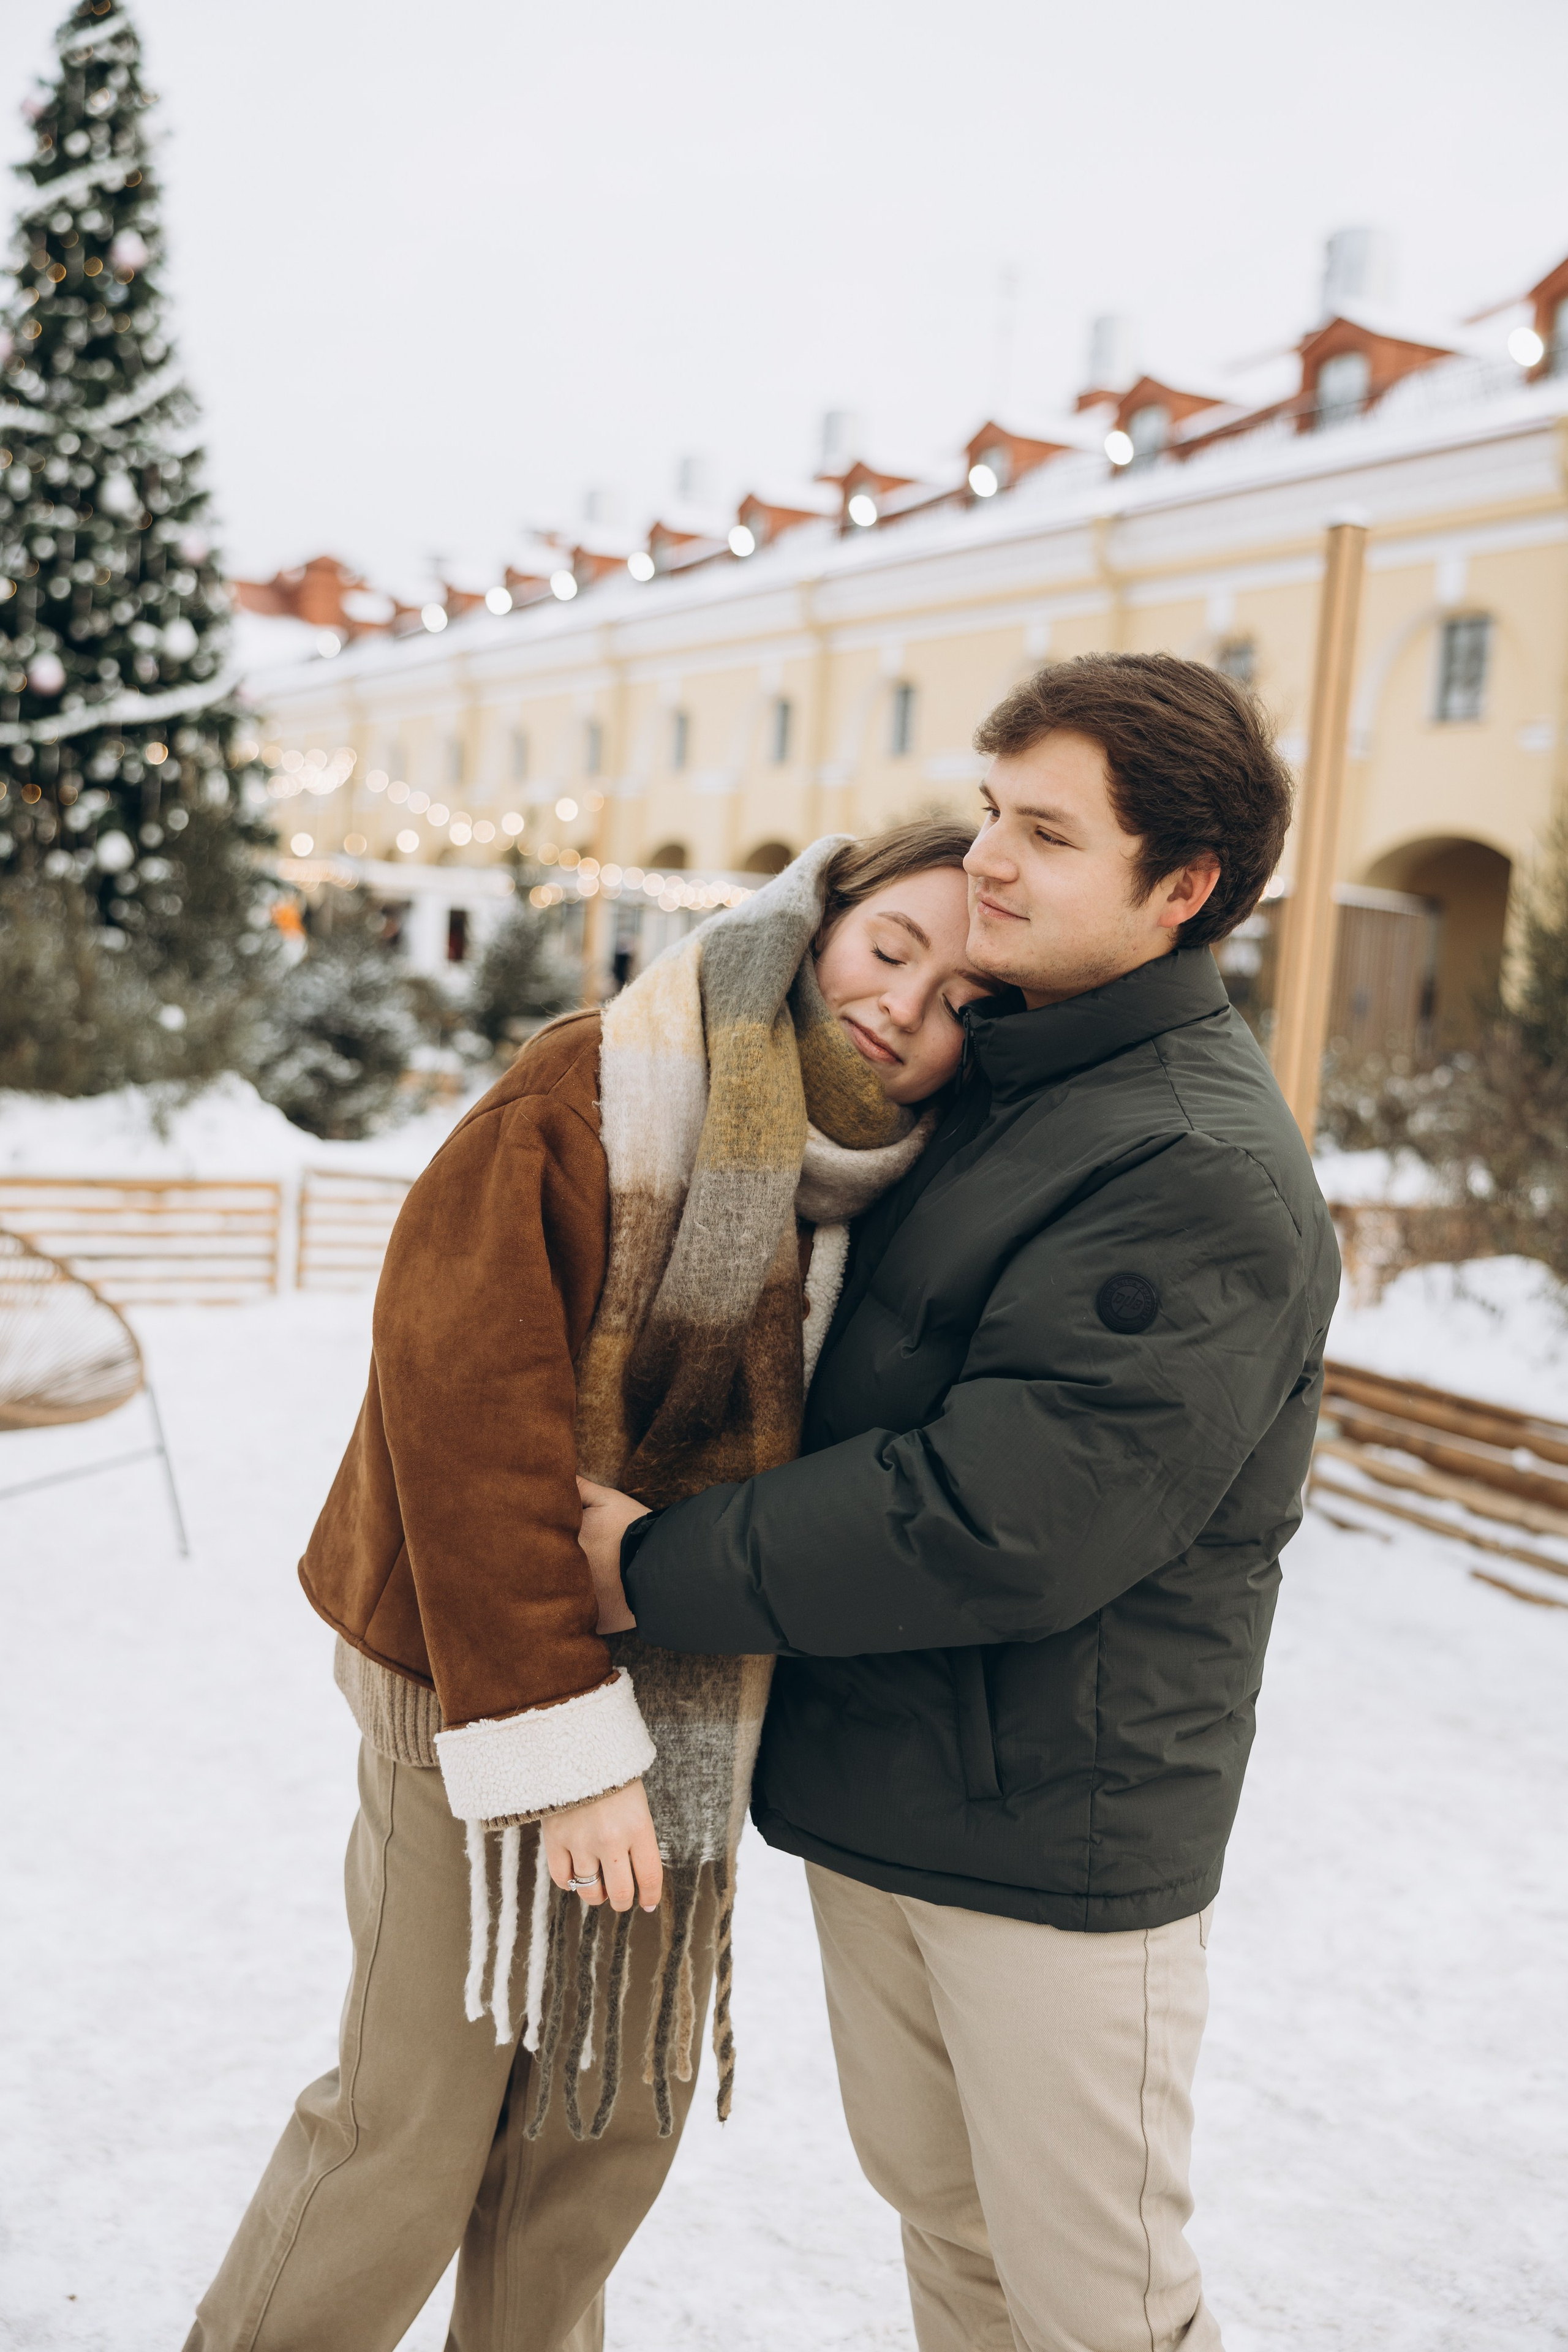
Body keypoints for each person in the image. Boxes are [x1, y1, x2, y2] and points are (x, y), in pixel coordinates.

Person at [578, 652, 1341, 2352]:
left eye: (1049, 834)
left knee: (1101, 2310)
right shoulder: (1004, 1089)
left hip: (1053, 1839)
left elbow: (1006, 1513)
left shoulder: (1191, 1164)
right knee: (955, 2245)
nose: (988, 858)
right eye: (994, 808)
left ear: (1183, 889)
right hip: (895, 1796)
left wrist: (652, 1567)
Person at [183, 821, 994, 2352]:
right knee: (410, 2132)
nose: (906, 1008)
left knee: (598, 2136)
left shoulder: (892, 1184)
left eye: (962, 998)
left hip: (694, 1700)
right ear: (820, 915)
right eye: (892, 948)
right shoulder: (591, 1088)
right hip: (478, 1686)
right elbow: (464, 1428)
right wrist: (563, 1755)